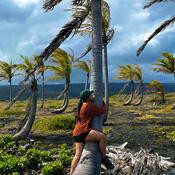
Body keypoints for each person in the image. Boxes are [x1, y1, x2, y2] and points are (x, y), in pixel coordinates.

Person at [70, 89, 114, 175]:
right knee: (102, 137)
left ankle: (71, 173)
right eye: (91, 95)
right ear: (88, 98)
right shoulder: (89, 106)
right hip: (83, 132)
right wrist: (103, 102)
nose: (92, 96)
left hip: (76, 133)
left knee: (77, 155)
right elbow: (102, 111)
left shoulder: (83, 105)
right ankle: (104, 157)